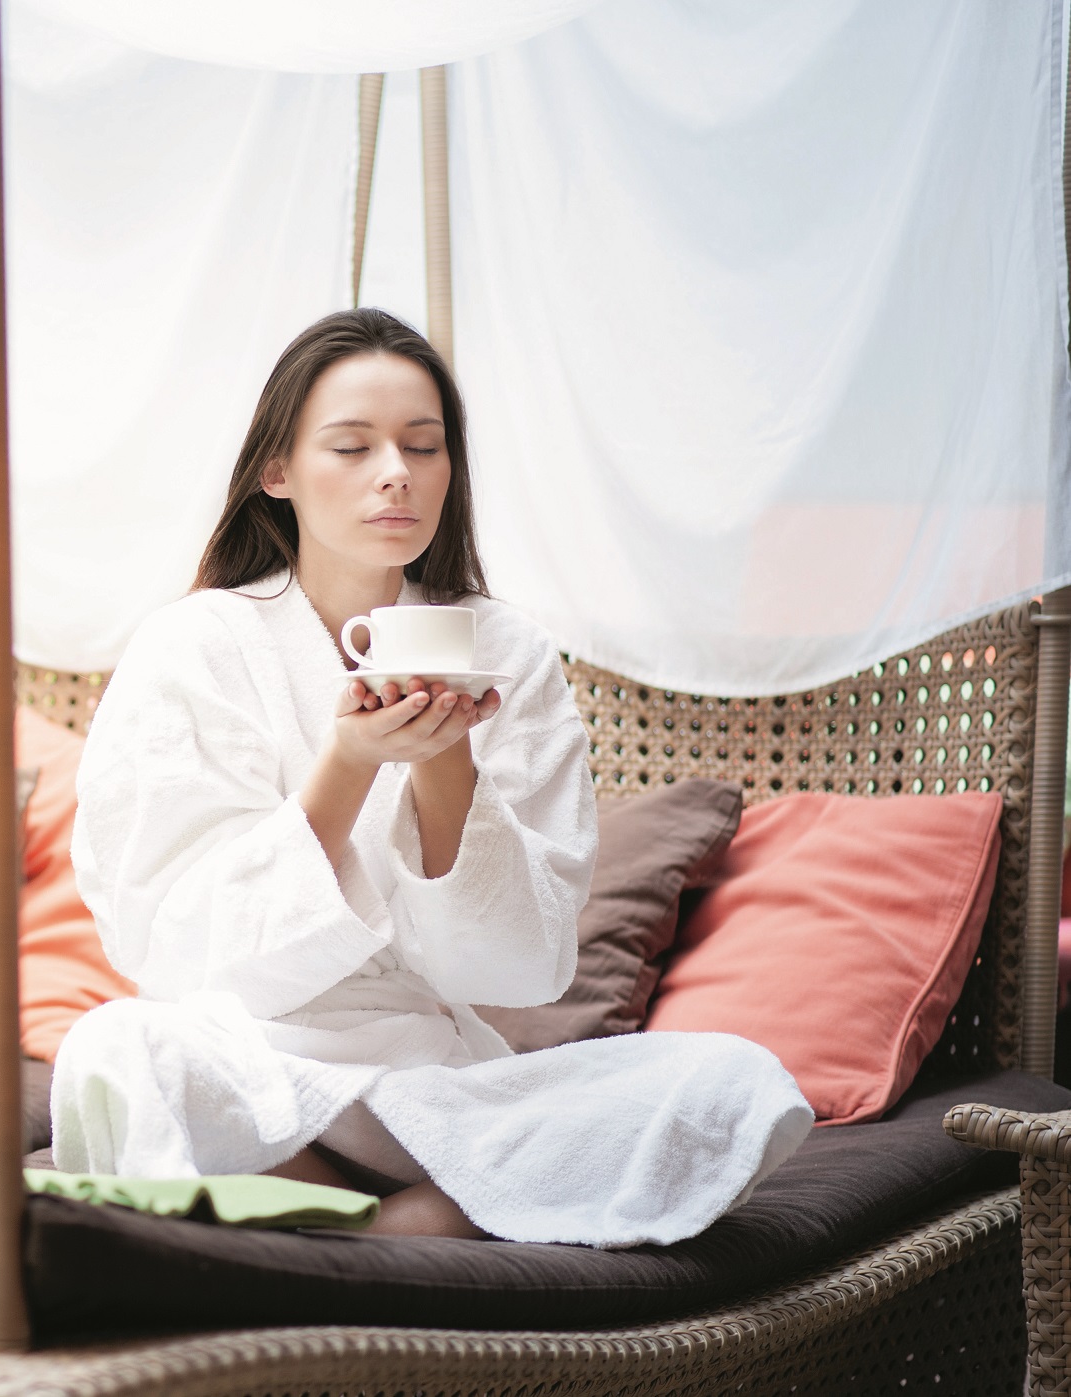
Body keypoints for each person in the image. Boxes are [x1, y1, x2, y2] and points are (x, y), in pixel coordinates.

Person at [49, 309, 811, 1246]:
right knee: (115, 1052)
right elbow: (170, 941)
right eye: (352, 446)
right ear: (276, 471)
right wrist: (349, 765)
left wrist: (444, 754)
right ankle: (418, 1230)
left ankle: (346, 1227)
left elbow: (522, 966)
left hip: (435, 1083)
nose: (397, 473)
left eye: (423, 445)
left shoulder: (507, 653)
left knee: (733, 1086)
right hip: (249, 1059)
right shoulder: (192, 646)